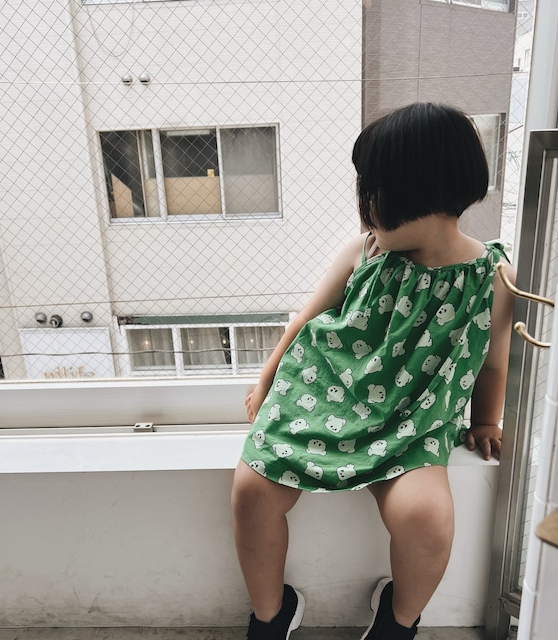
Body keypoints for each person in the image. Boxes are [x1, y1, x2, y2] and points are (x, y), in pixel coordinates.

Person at [231, 102, 516, 640]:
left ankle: (398, 621)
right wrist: (266, 380)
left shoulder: (492, 277)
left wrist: (485, 421)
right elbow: (304, 321)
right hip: (325, 394)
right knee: (252, 491)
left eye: (373, 193)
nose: (364, 209)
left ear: (417, 192)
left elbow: (493, 361)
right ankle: (270, 614)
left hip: (414, 420)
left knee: (427, 519)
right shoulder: (364, 252)